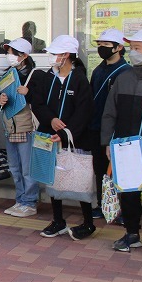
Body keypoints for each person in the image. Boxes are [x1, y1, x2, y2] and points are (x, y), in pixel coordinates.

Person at [102, 29, 142, 256]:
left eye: (138, 48)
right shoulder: (123, 78)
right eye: (132, 48)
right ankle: (131, 233)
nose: (133, 52)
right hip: (124, 147)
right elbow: (110, 113)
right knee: (128, 193)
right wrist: (108, 142)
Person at [29, 35, 95, 241]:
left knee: (79, 178)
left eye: (54, 53)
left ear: (66, 55)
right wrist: (52, 120)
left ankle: (88, 222)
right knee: (53, 179)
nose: (51, 57)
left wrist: (65, 133)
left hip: (74, 139)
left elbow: (84, 112)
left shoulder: (80, 79)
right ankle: (58, 220)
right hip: (50, 134)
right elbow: (37, 103)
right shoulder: (48, 77)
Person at [0, 38, 39, 217]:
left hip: (26, 127)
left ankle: (30, 201)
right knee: (15, 167)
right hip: (10, 127)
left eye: (13, 53)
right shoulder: (7, 75)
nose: (9, 56)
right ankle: (20, 200)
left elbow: (42, 101)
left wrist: (30, 93)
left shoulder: (35, 75)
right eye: (9, 52)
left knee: (27, 168)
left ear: (24, 55)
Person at [89, 29, 130, 219]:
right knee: (100, 170)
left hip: (118, 131)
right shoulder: (98, 69)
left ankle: (121, 210)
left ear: (119, 47)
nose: (101, 48)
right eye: (99, 45)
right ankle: (103, 205)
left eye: (105, 45)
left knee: (120, 171)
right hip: (96, 128)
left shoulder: (126, 71)